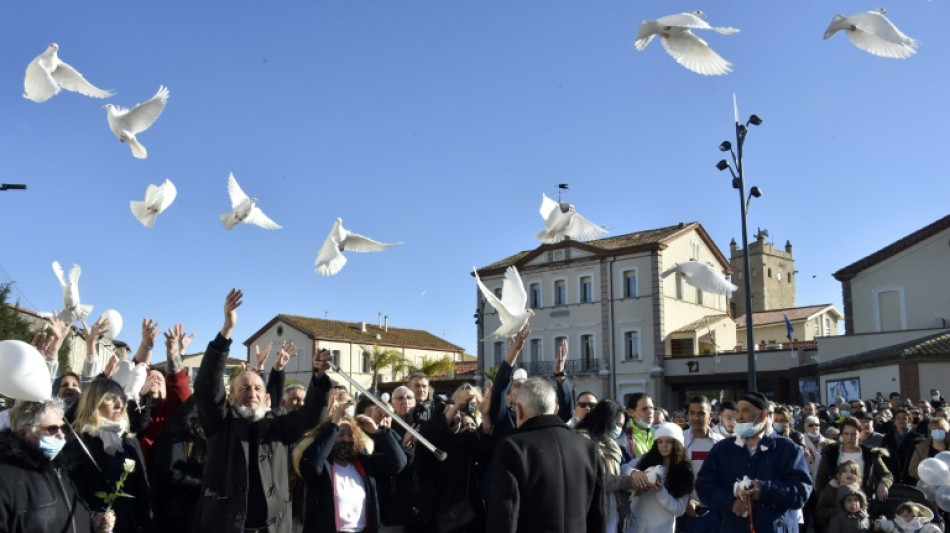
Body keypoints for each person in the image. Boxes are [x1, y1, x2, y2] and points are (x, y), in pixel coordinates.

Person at [193, 289, 333, 533]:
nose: (252, 393)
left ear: (266, 396)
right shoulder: (220, 423)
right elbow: (206, 385)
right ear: (231, 397)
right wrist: (226, 331)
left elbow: (311, 416)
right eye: (244, 388)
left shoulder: (277, 424)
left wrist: (319, 377)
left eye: (258, 388)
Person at [485, 377, 605, 532]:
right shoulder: (588, 447)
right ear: (555, 408)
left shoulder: (513, 448)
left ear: (519, 410)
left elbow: (505, 516)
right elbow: (598, 514)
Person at [695, 391, 813, 533]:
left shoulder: (787, 449)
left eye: (745, 411)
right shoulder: (722, 449)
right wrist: (731, 503)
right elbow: (704, 486)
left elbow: (801, 491)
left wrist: (765, 489)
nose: (738, 416)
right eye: (737, 411)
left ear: (762, 415)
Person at [0, 399, 114, 533]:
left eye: (63, 428)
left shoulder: (67, 468)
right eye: (52, 429)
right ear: (23, 433)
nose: (61, 435)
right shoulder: (6, 476)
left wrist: (93, 523)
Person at [294, 398, 406, 532]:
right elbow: (311, 466)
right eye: (340, 434)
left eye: (350, 434)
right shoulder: (322, 466)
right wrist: (334, 424)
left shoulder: (364, 464)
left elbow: (398, 463)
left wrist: (378, 432)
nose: (346, 439)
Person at [64, 376, 153, 533]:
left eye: (122, 399)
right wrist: (93, 517)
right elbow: (72, 492)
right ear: (94, 403)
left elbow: (143, 491)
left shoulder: (130, 441)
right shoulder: (79, 442)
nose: (120, 405)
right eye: (110, 399)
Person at [575, 400, 634, 533]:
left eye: (622, 425)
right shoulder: (583, 440)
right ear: (605, 419)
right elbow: (595, 478)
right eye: (617, 424)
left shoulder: (612, 445)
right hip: (592, 511)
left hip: (612, 511)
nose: (619, 429)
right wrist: (628, 482)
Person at [814, 417, 893, 515]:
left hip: (862, 504)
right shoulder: (832, 453)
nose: (849, 438)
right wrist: (824, 499)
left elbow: (887, 475)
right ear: (841, 435)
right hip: (836, 506)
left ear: (860, 434)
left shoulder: (869, 454)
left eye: (853, 434)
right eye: (846, 434)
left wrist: (883, 484)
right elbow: (821, 479)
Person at [149, 395, 205, 531]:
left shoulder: (203, 436)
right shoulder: (176, 433)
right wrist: (208, 484)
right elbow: (173, 474)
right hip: (176, 518)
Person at [629, 422, 695, 533]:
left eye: (669, 442)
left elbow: (679, 510)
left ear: (677, 444)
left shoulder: (684, 472)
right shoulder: (645, 461)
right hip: (636, 526)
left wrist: (660, 491)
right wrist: (634, 472)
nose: (664, 445)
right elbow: (624, 467)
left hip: (662, 528)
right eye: (660, 442)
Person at [679, 395, 723, 533]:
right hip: (689, 512)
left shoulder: (720, 443)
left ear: (710, 415)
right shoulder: (679, 441)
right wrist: (684, 503)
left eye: (701, 413)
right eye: (692, 413)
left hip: (717, 512)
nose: (696, 417)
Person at [880, 409, 922, 484]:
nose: (901, 420)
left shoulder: (917, 438)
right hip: (892, 477)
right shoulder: (887, 438)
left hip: (911, 478)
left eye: (904, 418)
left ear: (909, 421)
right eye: (898, 418)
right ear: (894, 421)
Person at [817, 460, 863, 527]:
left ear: (857, 477)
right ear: (839, 475)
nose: (849, 474)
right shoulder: (830, 489)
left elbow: (865, 512)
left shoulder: (860, 493)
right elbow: (820, 512)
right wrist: (836, 512)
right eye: (845, 471)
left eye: (853, 472)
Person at [908, 417, 950, 482]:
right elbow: (912, 470)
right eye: (934, 429)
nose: (937, 431)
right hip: (927, 486)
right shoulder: (921, 448)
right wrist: (929, 476)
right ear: (930, 432)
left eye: (941, 429)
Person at [873, 502, 942, 533]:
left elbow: (930, 527)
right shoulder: (896, 524)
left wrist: (935, 531)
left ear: (918, 516)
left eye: (913, 516)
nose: (909, 518)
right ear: (899, 516)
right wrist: (880, 524)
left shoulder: (921, 526)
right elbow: (887, 524)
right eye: (905, 516)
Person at [624, 392, 655, 459]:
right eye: (644, 409)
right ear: (631, 412)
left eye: (652, 408)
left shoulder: (658, 433)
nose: (650, 412)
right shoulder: (624, 436)